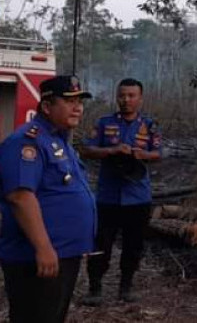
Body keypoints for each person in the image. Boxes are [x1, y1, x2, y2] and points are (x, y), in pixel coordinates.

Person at [0, 75, 96, 323]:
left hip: (62, 255)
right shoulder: (27, 141)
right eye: (69, 101)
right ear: (46, 106)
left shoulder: (59, 141)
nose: (78, 108)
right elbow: (20, 197)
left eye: (80, 101)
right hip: (37, 258)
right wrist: (43, 248)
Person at [80, 78, 162, 305]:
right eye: (122, 95)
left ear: (140, 98)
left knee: (133, 245)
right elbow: (87, 149)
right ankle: (94, 288)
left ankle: (126, 287)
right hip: (108, 196)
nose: (126, 100)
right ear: (117, 97)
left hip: (138, 197)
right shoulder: (104, 123)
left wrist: (142, 155)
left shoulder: (150, 125)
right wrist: (112, 150)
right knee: (100, 245)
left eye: (131, 96)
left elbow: (158, 153)